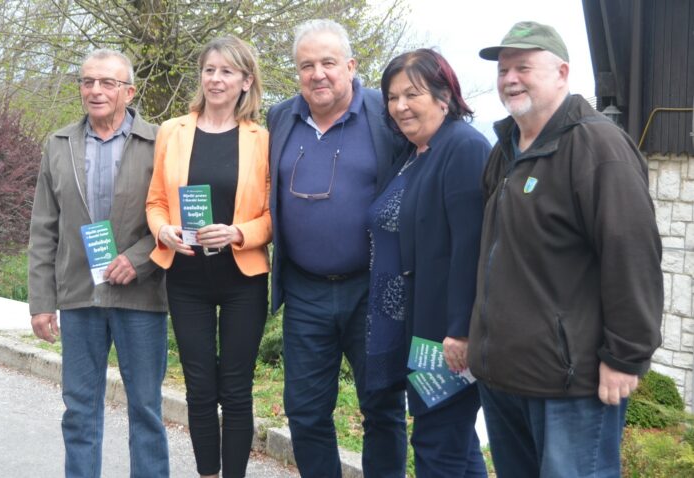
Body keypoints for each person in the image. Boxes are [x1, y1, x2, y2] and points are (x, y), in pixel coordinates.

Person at [468, 21, 664, 477]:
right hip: (505, 377)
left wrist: (625, 357)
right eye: (502, 70)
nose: (509, 78)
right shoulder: (507, 148)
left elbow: (632, 254)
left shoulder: (598, 147)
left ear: (561, 72)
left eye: (523, 67)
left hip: (571, 384)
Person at [267, 19, 407, 478]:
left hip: (372, 288)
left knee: (382, 407)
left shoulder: (385, 116)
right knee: (305, 412)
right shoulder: (280, 118)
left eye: (328, 62)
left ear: (351, 65)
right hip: (305, 291)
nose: (318, 74)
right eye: (306, 65)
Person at [28, 49, 169, 477]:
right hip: (78, 295)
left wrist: (140, 259)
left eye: (107, 82)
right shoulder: (58, 144)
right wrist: (41, 301)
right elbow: (43, 229)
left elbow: (172, 215)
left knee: (145, 409)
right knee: (79, 409)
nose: (95, 90)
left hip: (140, 295)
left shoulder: (161, 141)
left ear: (129, 90)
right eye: (88, 82)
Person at [145, 36, 270, 478]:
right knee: (199, 389)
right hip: (186, 277)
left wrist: (239, 232)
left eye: (227, 71)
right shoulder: (172, 131)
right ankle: (207, 473)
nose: (216, 79)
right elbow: (156, 200)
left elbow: (275, 216)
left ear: (245, 81)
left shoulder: (263, 139)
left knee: (236, 390)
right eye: (209, 70)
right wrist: (164, 230)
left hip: (243, 278)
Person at [368, 48, 490, 478]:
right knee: (455, 446)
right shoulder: (415, 152)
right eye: (392, 96)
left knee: (438, 445)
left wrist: (460, 330)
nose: (400, 106)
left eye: (412, 94)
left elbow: (470, 247)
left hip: (445, 337)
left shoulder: (463, 148)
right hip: (416, 330)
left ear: (444, 97)